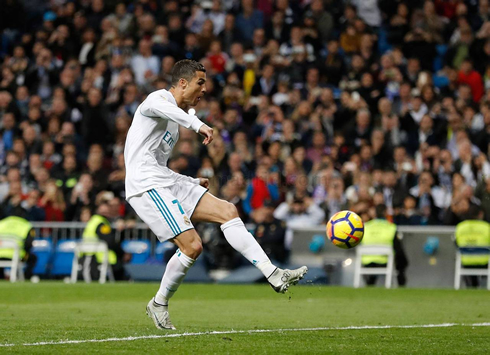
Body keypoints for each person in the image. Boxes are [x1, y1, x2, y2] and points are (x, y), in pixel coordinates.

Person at [124, 59, 307, 330]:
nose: (205, 89)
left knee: (228, 211)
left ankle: (273, 273)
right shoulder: (156, 99)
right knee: (193, 246)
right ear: (183, 83)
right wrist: (198, 125)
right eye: (201, 83)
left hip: (164, 179)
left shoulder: (172, 123)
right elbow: (165, 122)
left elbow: (157, 163)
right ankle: (159, 302)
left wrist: (190, 180)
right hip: (146, 186)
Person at [360, 204, 408, 286]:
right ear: (386, 213)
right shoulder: (391, 228)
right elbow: (398, 248)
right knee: (401, 258)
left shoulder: (365, 227)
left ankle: (370, 283)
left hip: (366, 260)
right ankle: (401, 282)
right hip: (385, 260)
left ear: (374, 213)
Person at [81, 201, 128, 280]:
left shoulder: (93, 221)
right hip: (98, 256)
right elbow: (110, 241)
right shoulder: (101, 223)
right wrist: (122, 253)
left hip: (87, 254)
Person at [455, 215, 490, 288]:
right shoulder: (486, 227)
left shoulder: (460, 226)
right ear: (480, 214)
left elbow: (456, 243)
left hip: (466, 261)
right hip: (484, 262)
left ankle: (471, 286)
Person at [0, 216, 37, 280]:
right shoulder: (25, 225)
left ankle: (1, 276)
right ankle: (27, 276)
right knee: (33, 258)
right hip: (17, 255)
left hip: (0, 254)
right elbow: (28, 244)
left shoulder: (2, 223)